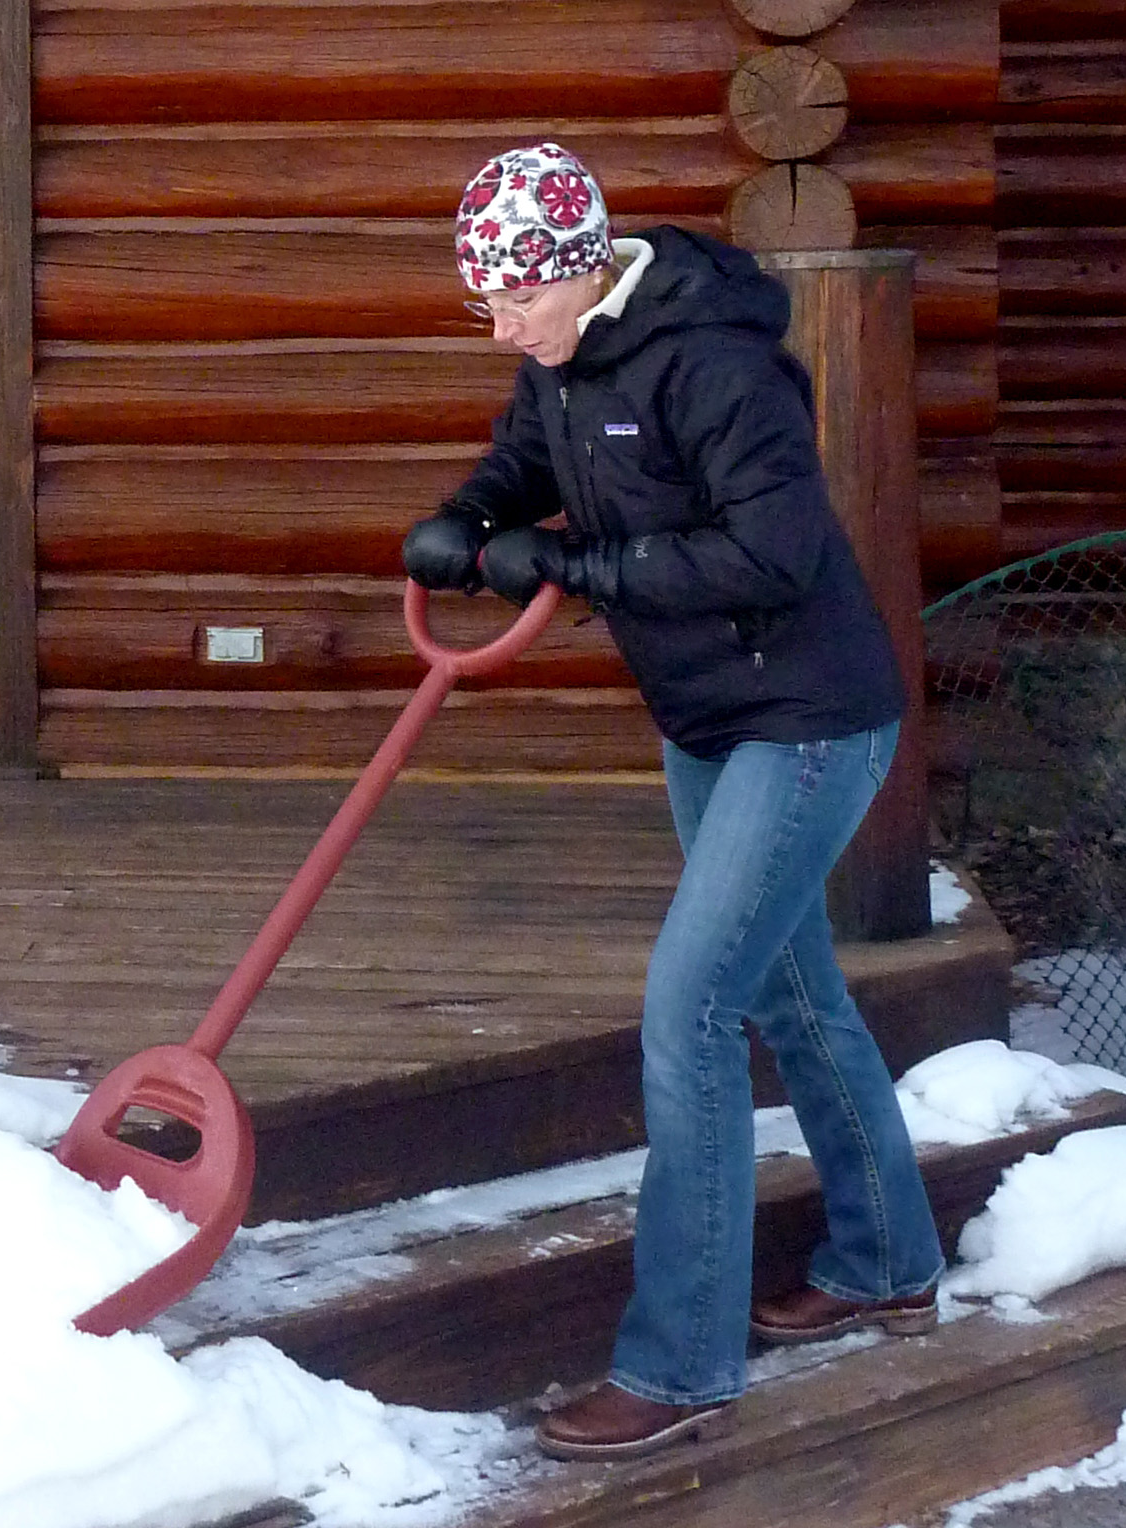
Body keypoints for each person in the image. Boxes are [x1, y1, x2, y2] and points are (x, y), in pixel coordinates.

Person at [403, 141, 944, 1460]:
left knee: (691, 1007)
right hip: (709, 719)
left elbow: (775, 550)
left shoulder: (713, 361)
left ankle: (682, 1364)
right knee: (787, 988)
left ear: (575, 271)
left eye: (509, 298)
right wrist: (463, 523)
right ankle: (887, 1260)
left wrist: (579, 562)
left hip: (808, 721)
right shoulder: (563, 361)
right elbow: (522, 461)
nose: (498, 326)